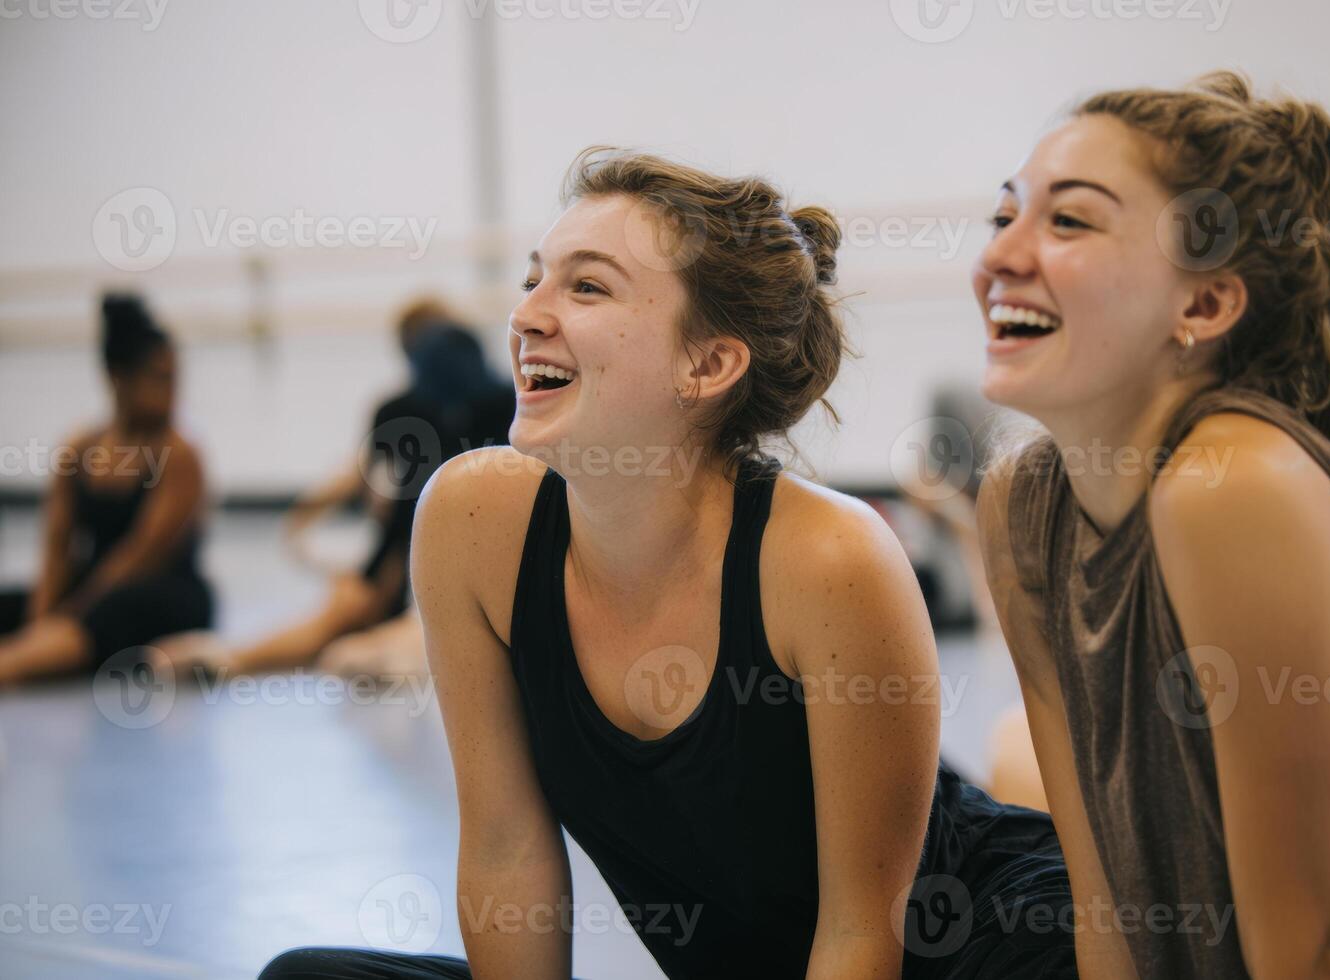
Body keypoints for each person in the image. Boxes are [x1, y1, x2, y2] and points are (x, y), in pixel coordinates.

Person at [258, 149, 1078, 978]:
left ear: (708, 365)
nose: (527, 315)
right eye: (534, 280)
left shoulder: (828, 556)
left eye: (586, 287)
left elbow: (861, 932)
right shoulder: (470, 520)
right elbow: (508, 851)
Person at [975, 72, 1330, 978]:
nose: (1001, 254)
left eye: (1070, 221)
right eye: (1003, 215)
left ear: (1202, 305)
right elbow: (1108, 911)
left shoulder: (1234, 482)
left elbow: (1310, 952)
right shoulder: (1020, 505)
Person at [155, 311, 515, 679]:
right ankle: (232, 659)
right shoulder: (501, 406)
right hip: (454, 562)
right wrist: (306, 521)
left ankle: (232, 659)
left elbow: (370, 488)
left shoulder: (404, 410)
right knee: (362, 623)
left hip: (409, 560)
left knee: (344, 627)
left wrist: (304, 522)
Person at [0, 293, 213, 685]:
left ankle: (14, 664)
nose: (173, 391)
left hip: (160, 593)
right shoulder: (81, 448)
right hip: (95, 581)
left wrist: (66, 618)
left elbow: (139, 557)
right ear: (118, 378)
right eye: (160, 379)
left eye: (175, 378)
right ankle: (35, 647)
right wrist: (39, 617)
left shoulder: (179, 454)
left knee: (105, 615)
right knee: (16, 604)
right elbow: (56, 548)